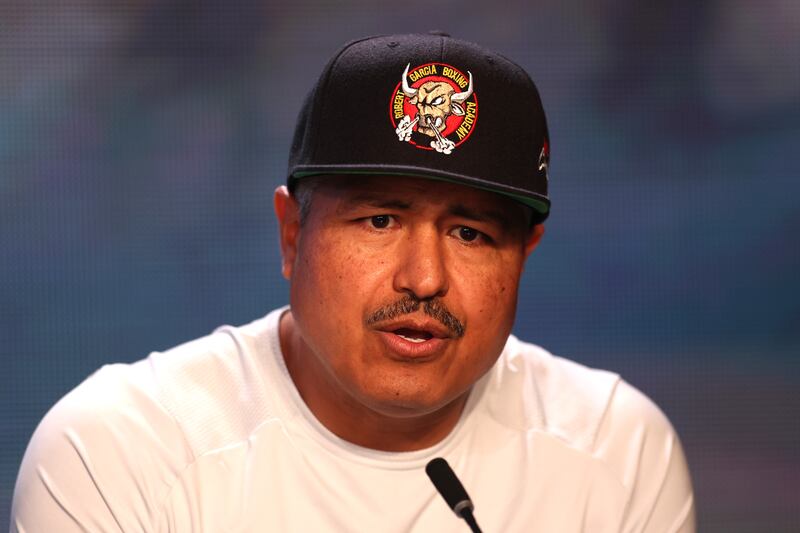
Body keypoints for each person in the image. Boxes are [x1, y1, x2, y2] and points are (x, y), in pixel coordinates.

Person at [11, 33, 695, 532]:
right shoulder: (117, 452)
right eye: (379, 219)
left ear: (525, 255)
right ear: (290, 234)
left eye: (471, 233)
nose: (425, 278)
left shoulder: (617, 449)